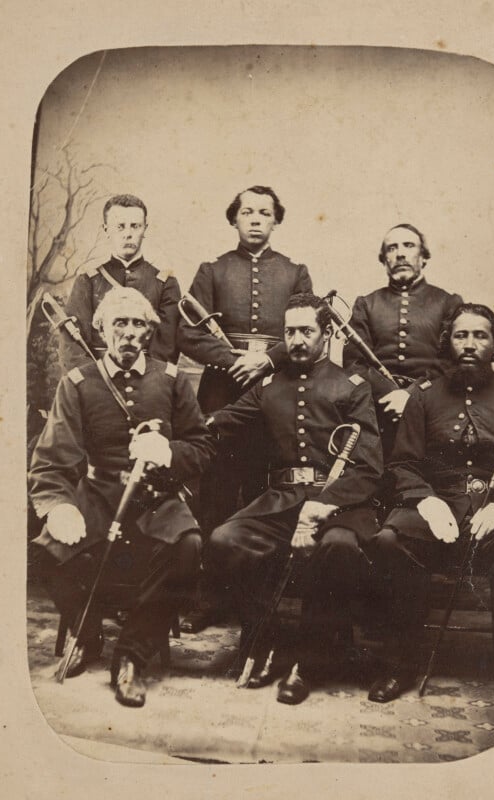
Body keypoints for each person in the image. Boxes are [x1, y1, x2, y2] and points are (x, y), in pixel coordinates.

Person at [29, 288, 215, 708]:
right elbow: (51, 462)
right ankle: (88, 631)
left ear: (149, 331)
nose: (129, 333)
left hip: (154, 496)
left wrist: (168, 451)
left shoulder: (171, 379)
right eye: (120, 323)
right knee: (46, 549)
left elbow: (202, 447)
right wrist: (59, 506)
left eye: (138, 324)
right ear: (101, 328)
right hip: (97, 494)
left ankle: (130, 654)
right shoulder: (77, 383)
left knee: (189, 547)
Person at [205, 293, 383, 705]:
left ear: (327, 333)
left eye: (307, 331)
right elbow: (223, 422)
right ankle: (267, 641)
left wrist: (324, 505)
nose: (297, 340)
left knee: (338, 548)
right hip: (281, 500)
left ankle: (309, 661)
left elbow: (369, 466)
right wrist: (178, 430)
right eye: (290, 332)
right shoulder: (269, 385)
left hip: (340, 503)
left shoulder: (351, 387)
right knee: (224, 540)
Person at [367, 303, 494, 729]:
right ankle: (400, 662)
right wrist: (425, 499)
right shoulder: (423, 399)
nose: (470, 344)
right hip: (436, 510)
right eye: (461, 335)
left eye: (480, 336)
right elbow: (402, 463)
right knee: (390, 539)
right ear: (448, 342)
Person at [178, 185, 313, 633]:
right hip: (222, 390)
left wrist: (269, 360)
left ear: (276, 221)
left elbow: (311, 328)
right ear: (234, 219)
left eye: (265, 213)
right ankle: (211, 598)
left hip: (274, 392)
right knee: (214, 497)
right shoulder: (212, 271)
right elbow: (189, 334)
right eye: (247, 212)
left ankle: (258, 602)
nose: (256, 219)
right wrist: (235, 360)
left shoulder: (295, 273)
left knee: (264, 498)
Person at [343, 223, 463, 455]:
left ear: (423, 257)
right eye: (392, 248)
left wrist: (412, 395)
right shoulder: (366, 305)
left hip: (434, 407)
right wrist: (389, 394)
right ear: (384, 259)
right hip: (379, 409)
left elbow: (451, 361)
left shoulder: (448, 303)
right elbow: (354, 365)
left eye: (409, 246)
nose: (400, 253)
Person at [60, 194, 182, 371]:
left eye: (135, 226)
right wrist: (92, 386)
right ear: (106, 230)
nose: (128, 234)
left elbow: (166, 348)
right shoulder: (88, 281)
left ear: (145, 229)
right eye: (120, 227)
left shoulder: (165, 284)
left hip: (148, 385)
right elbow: (72, 348)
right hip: (97, 382)